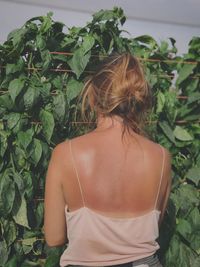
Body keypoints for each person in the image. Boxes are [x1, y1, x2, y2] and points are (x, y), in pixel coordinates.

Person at [44, 53, 172, 267]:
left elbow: (54, 237)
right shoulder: (161, 156)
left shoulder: (65, 153)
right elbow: (151, 227)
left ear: (93, 96)